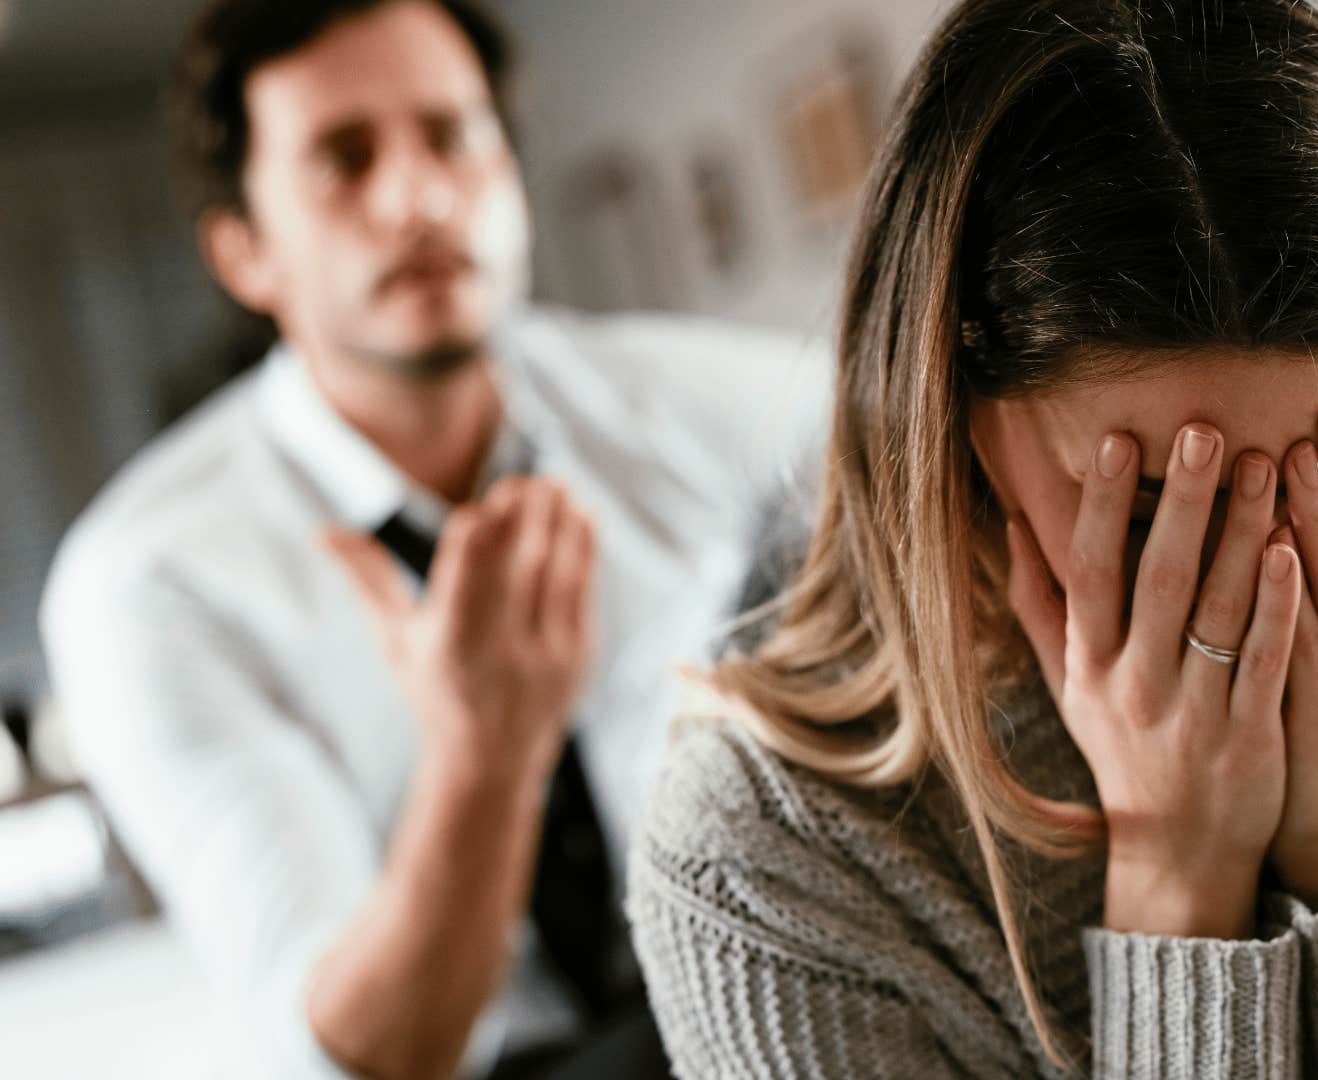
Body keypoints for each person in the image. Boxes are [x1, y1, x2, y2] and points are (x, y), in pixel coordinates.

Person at [626, 0, 1318, 1076]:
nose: (1263, 577)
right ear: (945, 404)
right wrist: (1176, 881)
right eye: (1161, 510)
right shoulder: (765, 852)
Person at [37, 1, 824, 1077]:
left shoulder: (701, 408)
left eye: (454, 136)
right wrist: (485, 757)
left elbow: (938, 440)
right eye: (344, 160)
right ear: (246, 254)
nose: (420, 198)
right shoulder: (147, 586)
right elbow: (360, 1060)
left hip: (769, 1002)